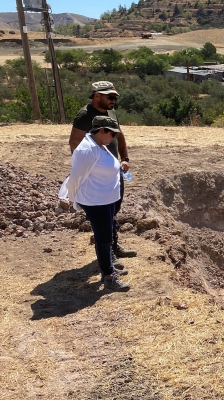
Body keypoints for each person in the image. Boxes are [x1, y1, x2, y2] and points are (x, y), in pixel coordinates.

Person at [69, 81, 137, 269]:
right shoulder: (85, 115)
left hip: (113, 171)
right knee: (102, 216)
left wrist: (125, 158)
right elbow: (75, 143)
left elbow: (120, 136)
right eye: (110, 97)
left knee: (114, 210)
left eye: (115, 97)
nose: (113, 101)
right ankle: (108, 256)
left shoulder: (111, 113)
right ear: (97, 95)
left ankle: (113, 247)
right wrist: (88, 170)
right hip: (97, 175)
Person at [60, 116, 130, 291]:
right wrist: (72, 199)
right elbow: (75, 177)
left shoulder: (100, 145)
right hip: (96, 201)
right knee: (103, 239)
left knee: (107, 236)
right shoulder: (87, 150)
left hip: (106, 200)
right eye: (112, 133)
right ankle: (109, 277)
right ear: (101, 131)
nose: (114, 137)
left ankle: (109, 269)